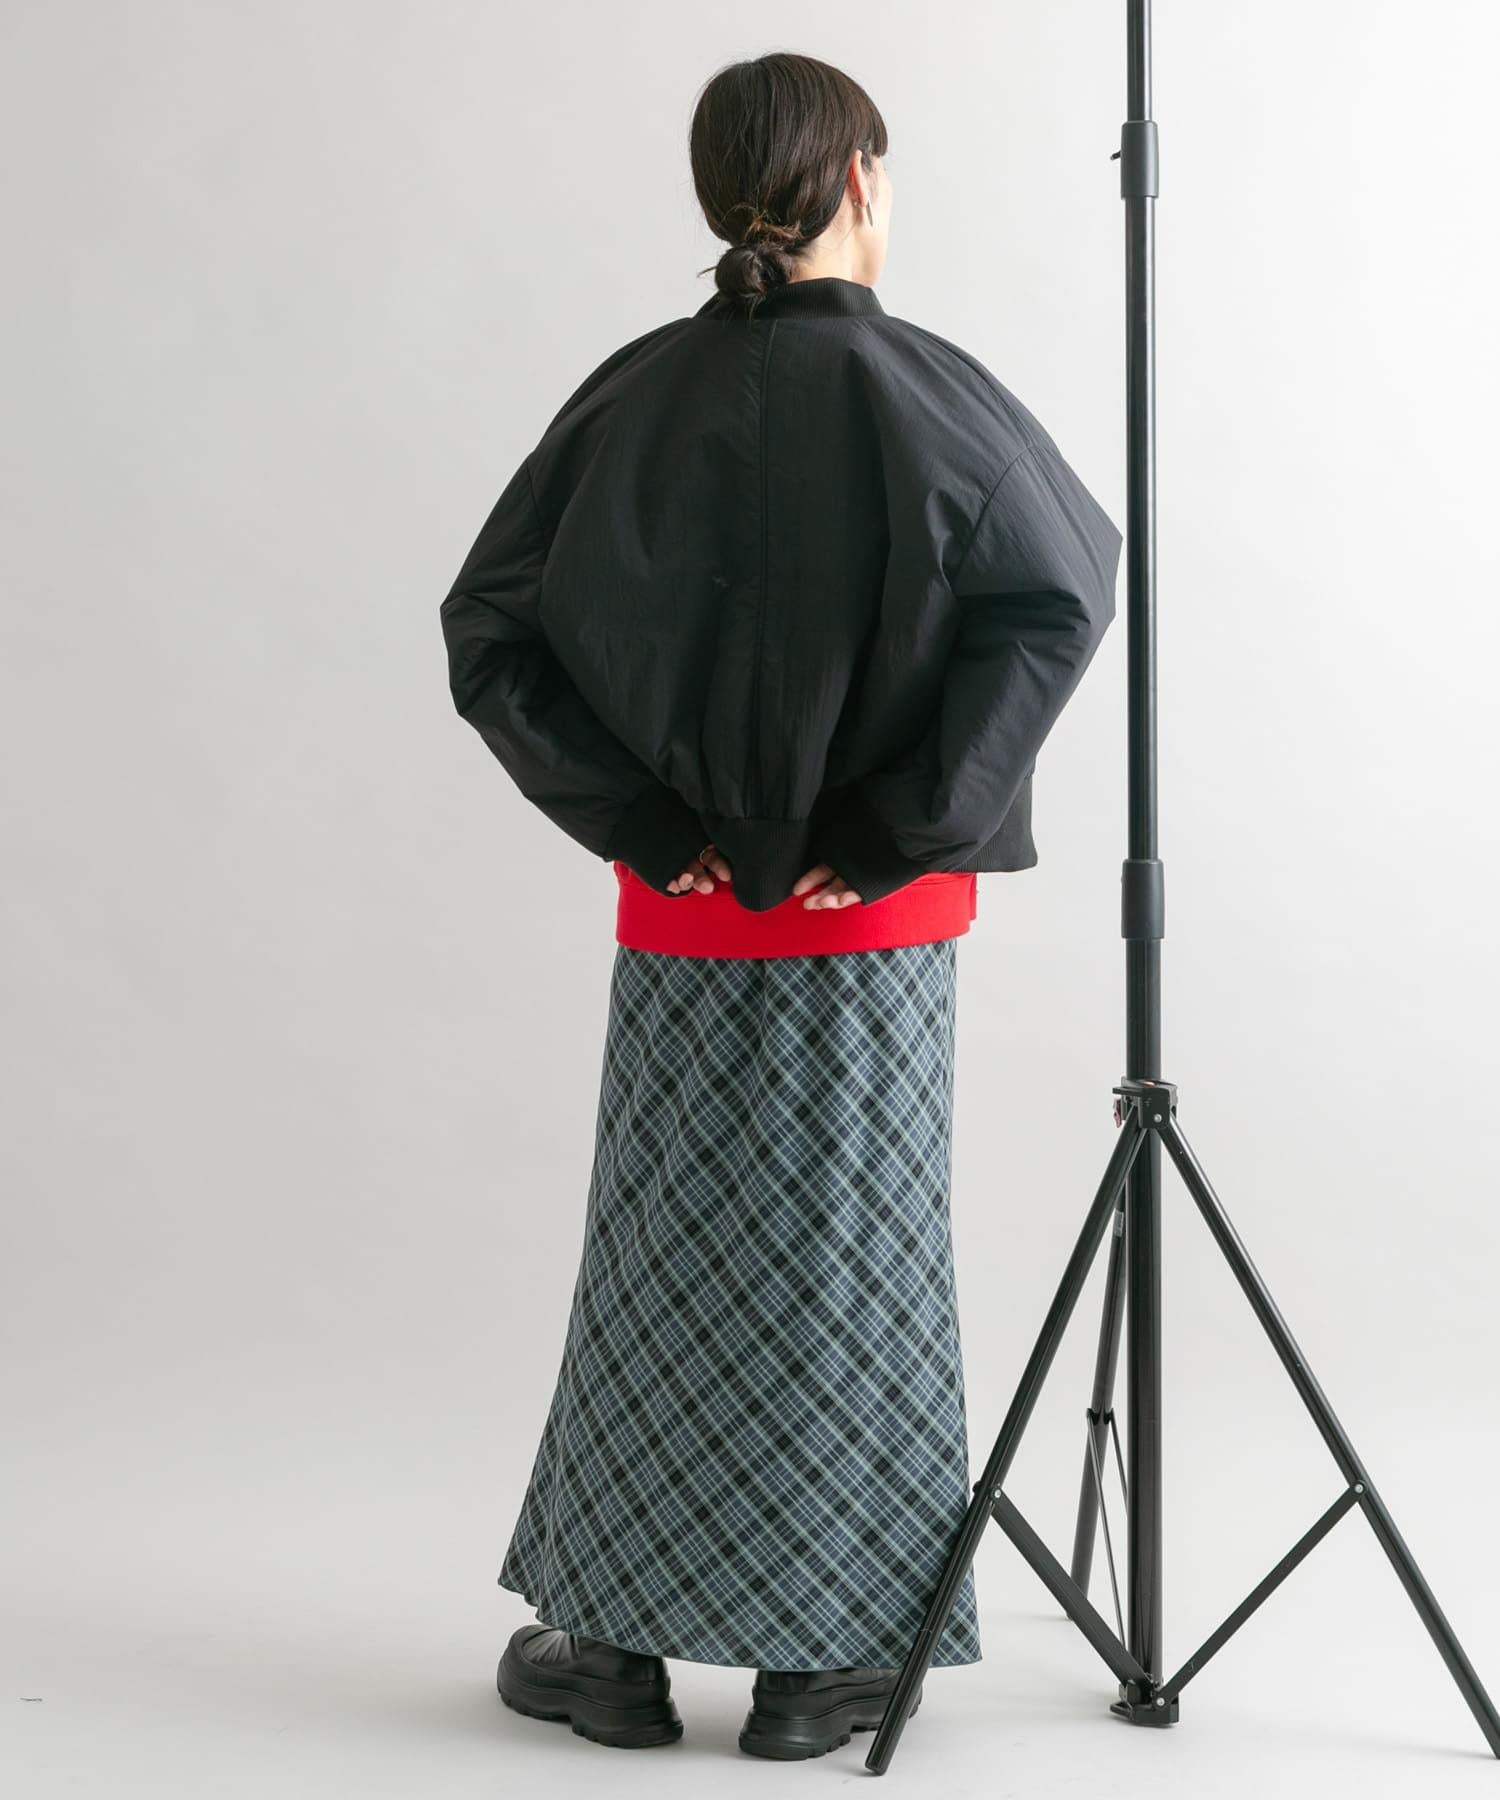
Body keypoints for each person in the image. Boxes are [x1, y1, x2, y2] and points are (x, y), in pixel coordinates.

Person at [439, 50, 1122, 1761]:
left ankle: (609, 1646)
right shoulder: (928, 392)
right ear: (862, 180)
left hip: (681, 914)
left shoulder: (629, 396)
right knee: (856, 1259)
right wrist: (902, 829)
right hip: (870, 928)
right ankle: (828, 1664)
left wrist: (645, 818)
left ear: (716, 194)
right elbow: (1063, 588)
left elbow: (490, 626)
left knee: (659, 1254)